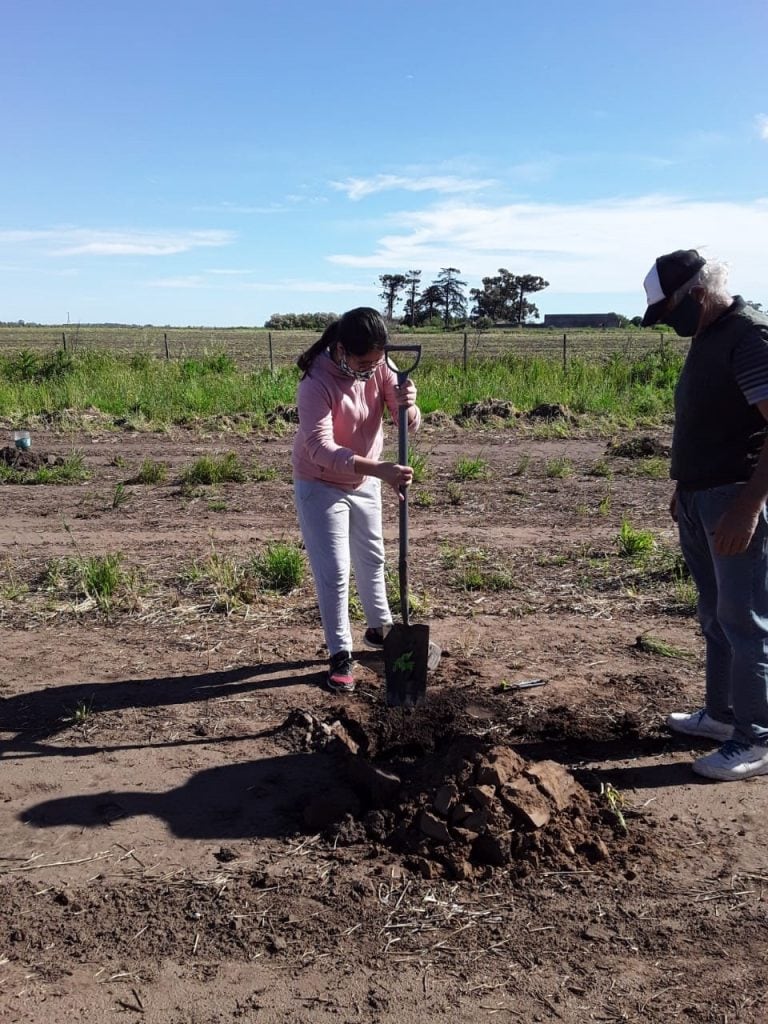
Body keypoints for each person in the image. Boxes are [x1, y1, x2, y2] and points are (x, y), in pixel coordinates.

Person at [640, 249, 768, 780]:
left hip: (732, 497)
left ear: (697, 294)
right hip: (699, 495)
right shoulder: (710, 336)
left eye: (669, 312)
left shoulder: (748, 336)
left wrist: (748, 506)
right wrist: (683, 486)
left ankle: (757, 738)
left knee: (746, 621)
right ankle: (721, 716)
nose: (670, 324)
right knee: (715, 614)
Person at [292, 307, 420, 694]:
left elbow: (407, 424)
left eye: (377, 362)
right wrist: (379, 469)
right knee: (334, 568)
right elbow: (319, 447)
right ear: (342, 349)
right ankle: (339, 654)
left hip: (365, 479)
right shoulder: (315, 383)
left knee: (373, 556)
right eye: (363, 362)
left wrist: (408, 403)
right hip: (321, 482)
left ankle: (381, 631)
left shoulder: (381, 364)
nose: (371, 370)